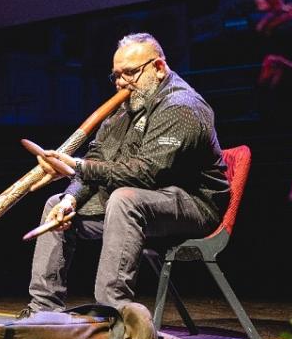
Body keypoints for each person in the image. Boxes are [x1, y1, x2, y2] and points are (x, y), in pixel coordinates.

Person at [20, 33, 230, 316]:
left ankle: (112, 312)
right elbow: (97, 161)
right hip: (140, 205)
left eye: (130, 73)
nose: (121, 83)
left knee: (124, 199)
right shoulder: (125, 109)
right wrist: (71, 199)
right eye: (116, 75)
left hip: (192, 205)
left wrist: (77, 166)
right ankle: (42, 311)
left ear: (158, 68)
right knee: (55, 205)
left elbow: (145, 173)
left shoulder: (182, 107)